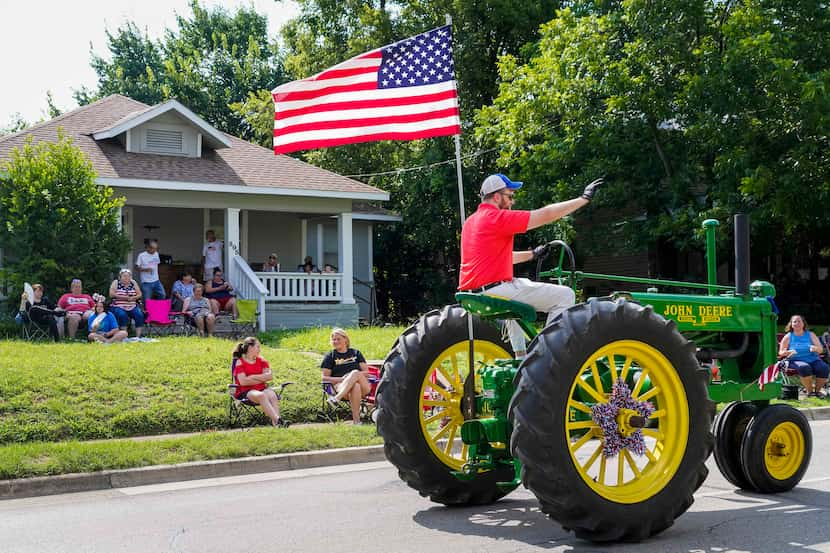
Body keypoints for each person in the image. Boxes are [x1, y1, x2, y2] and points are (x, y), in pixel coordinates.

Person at [458, 173, 603, 357]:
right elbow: (546, 214)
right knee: (565, 295)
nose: (512, 202)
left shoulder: (471, 222)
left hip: (475, 293)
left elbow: (500, 258)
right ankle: (545, 358)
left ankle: (521, 356)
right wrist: (583, 200)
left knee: (518, 288)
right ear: (496, 197)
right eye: (509, 196)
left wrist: (533, 254)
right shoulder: (497, 218)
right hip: (497, 290)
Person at [231, 337, 286, 427]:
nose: (259, 349)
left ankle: (277, 423)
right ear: (250, 348)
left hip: (261, 388)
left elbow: (269, 376)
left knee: (272, 395)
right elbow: (243, 382)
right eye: (258, 347)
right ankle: (278, 420)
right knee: (261, 395)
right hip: (245, 391)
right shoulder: (240, 362)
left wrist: (252, 377)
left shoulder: (261, 360)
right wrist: (261, 378)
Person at [321, 328, 372, 424]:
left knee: (355, 373)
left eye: (338, 339)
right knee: (355, 386)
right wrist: (343, 379)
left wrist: (351, 375)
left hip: (363, 388)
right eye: (334, 339)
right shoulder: (330, 356)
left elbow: (366, 372)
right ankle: (357, 422)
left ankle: (336, 399)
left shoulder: (356, 353)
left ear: (345, 339)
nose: (335, 341)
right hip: (341, 386)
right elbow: (324, 378)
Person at [779, 314, 829, 399]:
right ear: (791, 324)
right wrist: (788, 352)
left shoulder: (810, 334)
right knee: (804, 367)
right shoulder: (788, 336)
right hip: (795, 360)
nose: (797, 323)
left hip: (813, 359)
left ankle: (817, 392)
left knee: (824, 368)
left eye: (799, 321)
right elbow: (781, 352)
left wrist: (815, 348)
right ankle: (810, 392)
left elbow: (820, 349)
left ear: (803, 324)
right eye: (795, 321)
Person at [109, 268, 145, 337]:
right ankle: (124, 336)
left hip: (132, 306)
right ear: (120, 277)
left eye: (128, 276)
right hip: (118, 306)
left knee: (139, 315)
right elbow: (111, 294)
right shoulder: (116, 282)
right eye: (124, 276)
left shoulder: (133, 282)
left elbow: (139, 294)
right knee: (122, 315)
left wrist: (133, 298)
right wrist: (125, 298)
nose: (126, 278)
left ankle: (138, 336)